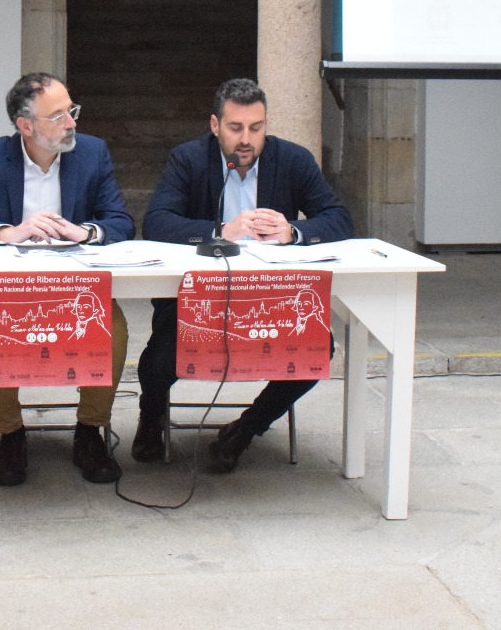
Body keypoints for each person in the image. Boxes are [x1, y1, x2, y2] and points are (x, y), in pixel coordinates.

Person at [135, 78, 353, 472]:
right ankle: (151, 419)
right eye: (236, 128)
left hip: (272, 299)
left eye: (257, 127)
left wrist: (294, 232)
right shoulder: (188, 159)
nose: (247, 140)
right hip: (196, 300)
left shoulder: (293, 160)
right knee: (157, 360)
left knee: (319, 348)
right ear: (215, 125)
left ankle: (246, 429)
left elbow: (339, 218)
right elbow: (157, 222)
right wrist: (220, 231)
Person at [0, 72, 134, 486]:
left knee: (114, 328)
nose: (72, 124)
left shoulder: (92, 153)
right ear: (25, 126)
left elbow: (120, 220)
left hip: (77, 289)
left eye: (72, 111)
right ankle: (9, 435)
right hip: (10, 291)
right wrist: (7, 233)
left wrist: (86, 232)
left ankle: (89, 431)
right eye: (58, 116)